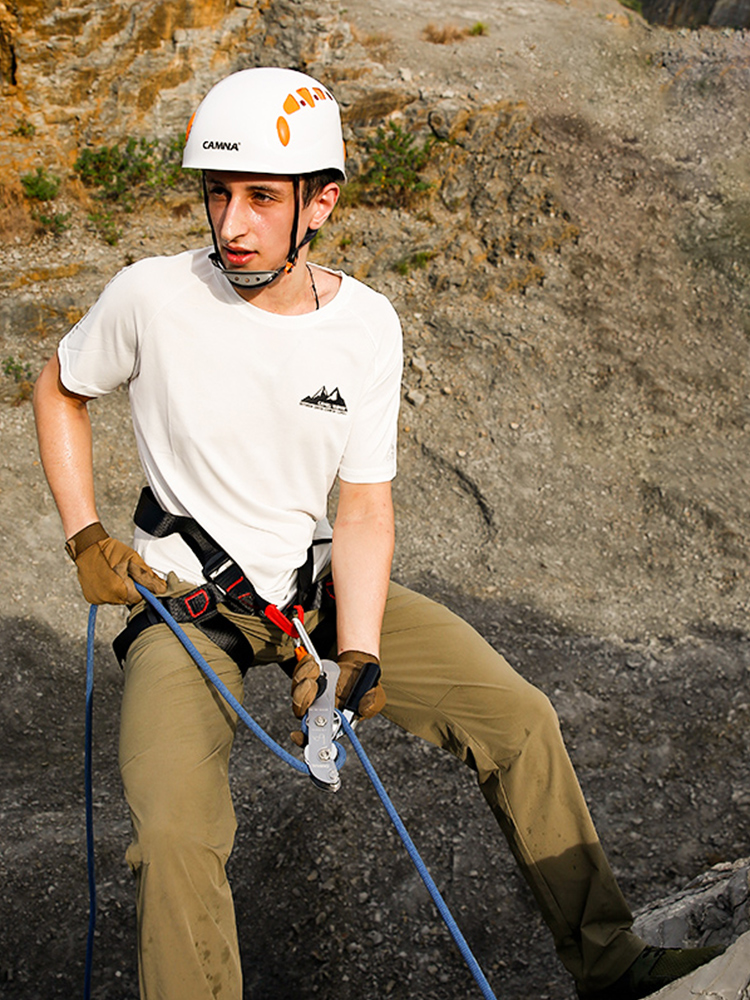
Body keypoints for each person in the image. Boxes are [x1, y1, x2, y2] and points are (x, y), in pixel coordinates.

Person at [33, 67, 721, 1000]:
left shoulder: (365, 328)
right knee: (172, 836)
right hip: (185, 609)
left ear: (320, 202)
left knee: (518, 721)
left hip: (312, 593)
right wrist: (86, 538)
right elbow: (59, 386)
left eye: (261, 199)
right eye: (218, 194)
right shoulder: (152, 296)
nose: (231, 223)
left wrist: (356, 650)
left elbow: (362, 507)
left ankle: (609, 958)